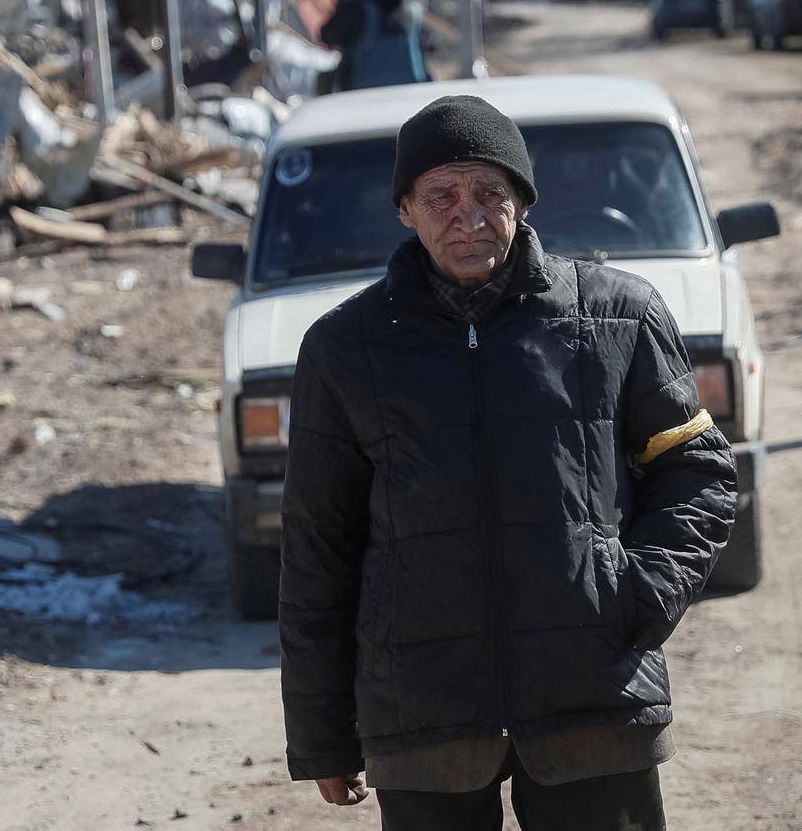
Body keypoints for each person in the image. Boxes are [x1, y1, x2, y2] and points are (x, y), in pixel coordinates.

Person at [278, 95, 737, 829]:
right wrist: (321, 733)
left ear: (522, 202)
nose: (468, 215)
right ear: (404, 209)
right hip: (424, 710)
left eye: (490, 193)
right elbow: (317, 545)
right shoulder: (345, 348)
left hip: (593, 700)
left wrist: (633, 595)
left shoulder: (617, 317)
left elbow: (698, 472)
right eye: (442, 196)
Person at [319, 0, 431, 91]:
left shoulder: (359, 9)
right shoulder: (415, 10)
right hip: (409, 92)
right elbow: (428, 47)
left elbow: (327, 36)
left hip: (362, 97)